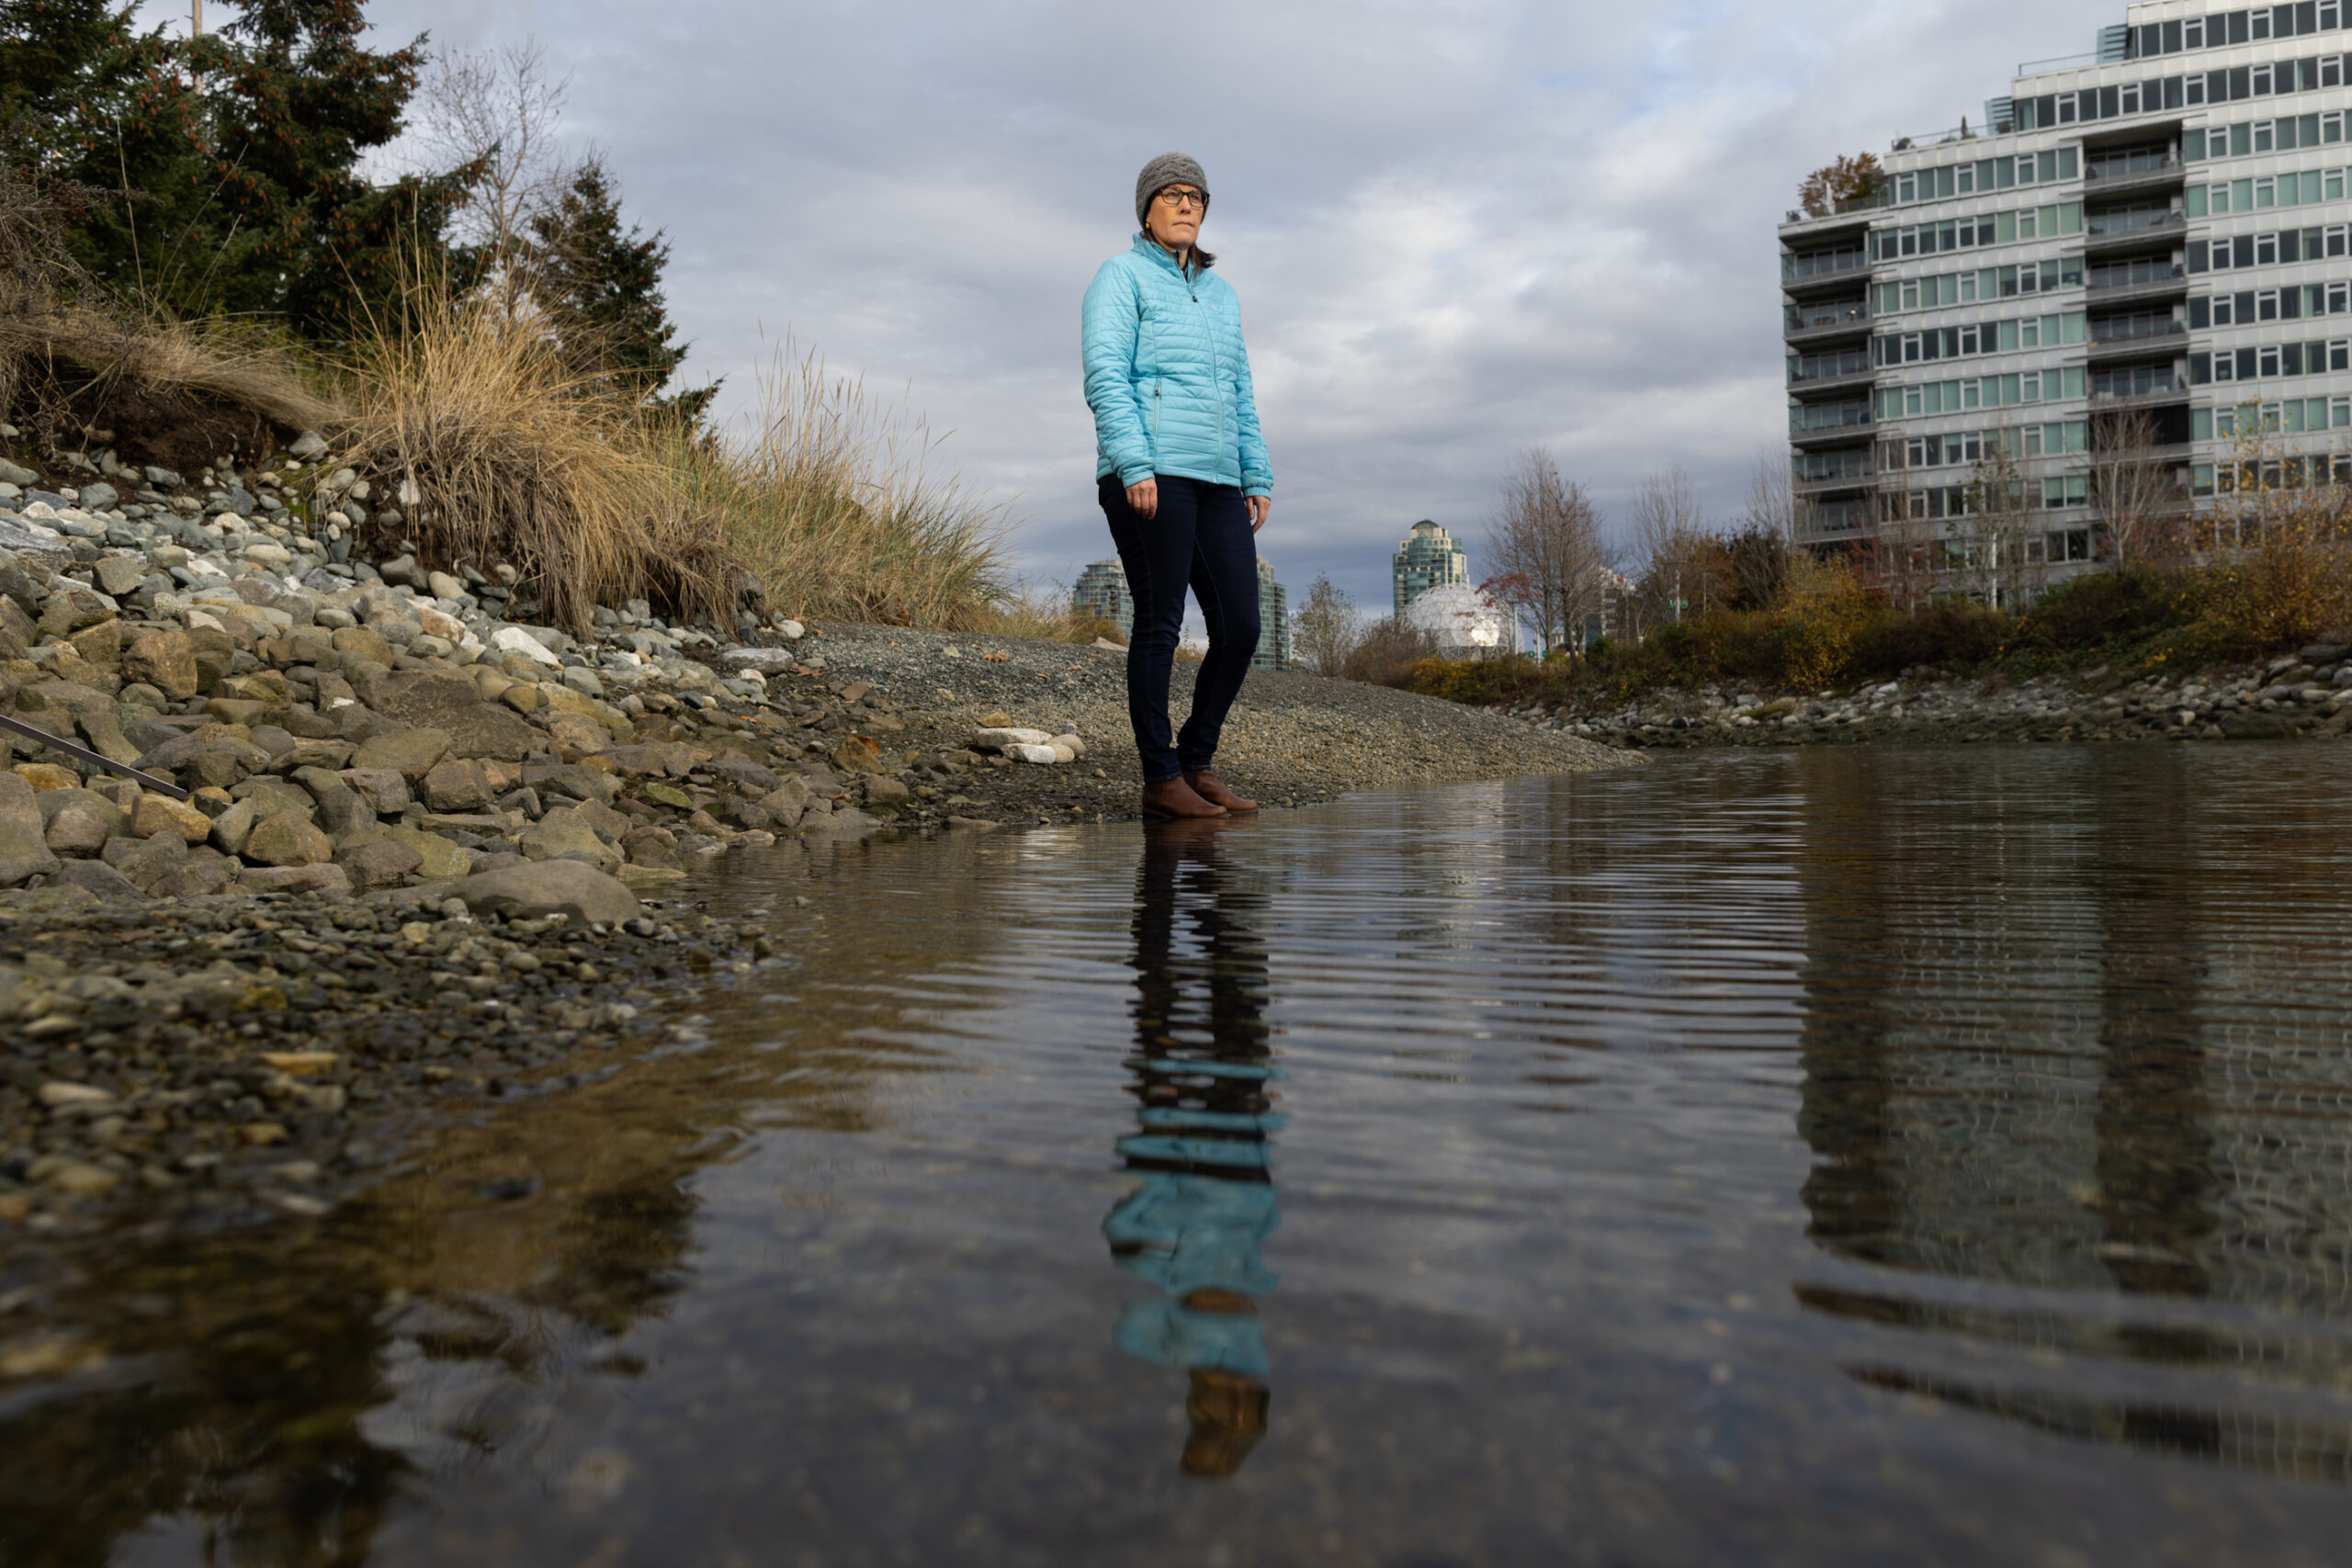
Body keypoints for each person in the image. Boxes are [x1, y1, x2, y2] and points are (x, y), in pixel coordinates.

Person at [1082, 152, 1273, 821]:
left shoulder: (1223, 295)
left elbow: (1239, 390)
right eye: (1172, 195)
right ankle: (1160, 776)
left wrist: (1257, 471)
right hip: (1152, 474)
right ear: (1147, 210)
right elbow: (1106, 373)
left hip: (1220, 477)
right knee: (1161, 619)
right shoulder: (1121, 276)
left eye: (1196, 196)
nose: (1186, 204)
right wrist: (1132, 464)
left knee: (1242, 625)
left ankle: (1197, 760)